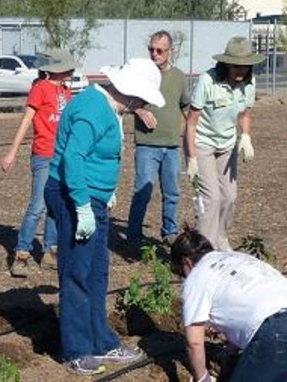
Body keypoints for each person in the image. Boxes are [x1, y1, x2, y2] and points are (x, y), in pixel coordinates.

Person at [44, 58, 165, 375]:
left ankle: (101, 339)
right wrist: (83, 205)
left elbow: (102, 154)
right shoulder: (92, 109)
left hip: (92, 197)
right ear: (132, 92)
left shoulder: (108, 108)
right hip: (73, 196)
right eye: (143, 98)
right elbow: (72, 157)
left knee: (97, 271)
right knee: (77, 272)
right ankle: (77, 349)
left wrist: (105, 191)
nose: (143, 104)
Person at [170, 226, 287, 382]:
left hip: (274, 332)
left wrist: (203, 378)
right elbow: (244, 304)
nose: (183, 277)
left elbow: (194, 342)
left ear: (186, 262)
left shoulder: (196, 276)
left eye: (180, 271)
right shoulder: (236, 258)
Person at [1, 50, 79, 277]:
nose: (71, 72)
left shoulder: (66, 91)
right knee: (38, 205)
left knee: (55, 203)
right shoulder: (40, 88)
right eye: (67, 68)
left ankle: (50, 251)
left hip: (61, 156)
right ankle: (22, 253)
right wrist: (12, 152)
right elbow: (27, 120)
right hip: (44, 154)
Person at [185, 37, 264, 251]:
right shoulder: (207, 81)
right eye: (236, 65)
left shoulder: (249, 83)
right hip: (203, 143)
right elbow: (191, 122)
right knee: (211, 198)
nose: (241, 70)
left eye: (245, 66)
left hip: (227, 144)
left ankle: (220, 238)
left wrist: (245, 136)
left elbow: (244, 113)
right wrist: (191, 158)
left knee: (229, 196)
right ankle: (204, 250)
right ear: (226, 63)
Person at [127, 30, 189, 246]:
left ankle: (169, 232)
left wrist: (195, 129)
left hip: (171, 146)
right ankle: (134, 236)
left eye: (160, 50)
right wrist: (139, 110)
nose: (154, 54)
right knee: (143, 191)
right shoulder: (141, 74)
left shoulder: (180, 77)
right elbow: (125, 100)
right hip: (147, 144)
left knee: (172, 192)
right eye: (151, 49)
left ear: (170, 51)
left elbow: (186, 106)